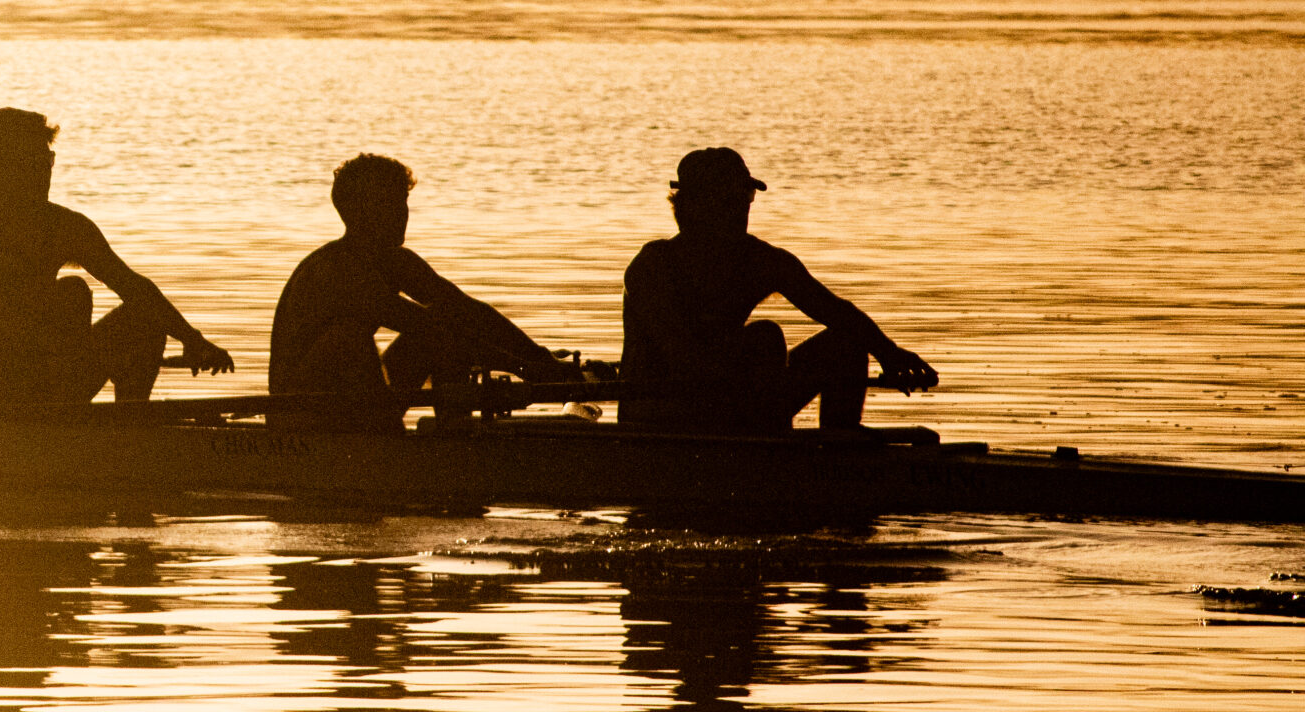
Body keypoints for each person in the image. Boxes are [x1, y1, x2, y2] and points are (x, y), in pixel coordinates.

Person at [620, 147, 937, 434]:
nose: (742, 210)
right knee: (765, 337)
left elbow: (838, 312)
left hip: (736, 404)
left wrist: (890, 354)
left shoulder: (760, 260)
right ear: (694, 206)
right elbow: (682, 357)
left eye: (745, 198)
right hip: (659, 412)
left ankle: (840, 446)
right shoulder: (653, 267)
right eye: (729, 201)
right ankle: (770, 443)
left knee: (848, 340)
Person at [0, 108, 233, 404]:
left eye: (46, 160)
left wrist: (193, 340)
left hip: (43, 379)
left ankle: (130, 428)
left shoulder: (66, 226)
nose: (44, 171)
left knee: (144, 317)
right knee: (74, 294)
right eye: (32, 161)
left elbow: (135, 288)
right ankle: (85, 426)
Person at [270, 153, 571, 420]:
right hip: (300, 413)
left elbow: (468, 311)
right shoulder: (337, 269)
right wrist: (522, 368)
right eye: (390, 204)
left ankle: (454, 433)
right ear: (360, 212)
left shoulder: (398, 262)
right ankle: (403, 440)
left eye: (403, 202)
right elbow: (430, 326)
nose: (402, 214)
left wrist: (539, 357)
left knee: (446, 322)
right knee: (351, 338)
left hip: (350, 392)